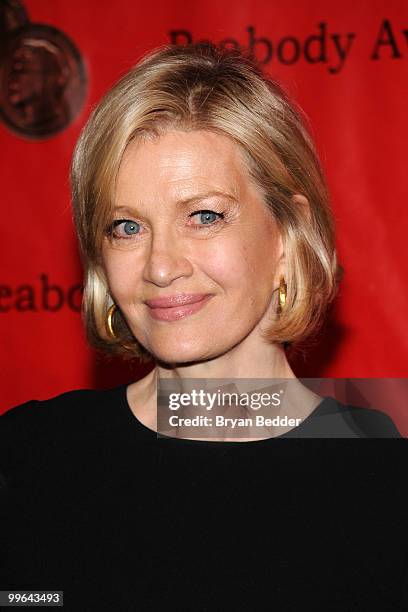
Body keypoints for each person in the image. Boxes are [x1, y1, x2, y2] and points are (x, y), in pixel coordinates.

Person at [0, 43, 406, 611]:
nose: (160, 266)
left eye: (204, 216)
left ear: (288, 237)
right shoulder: (29, 459)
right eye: (126, 226)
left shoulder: (384, 483)